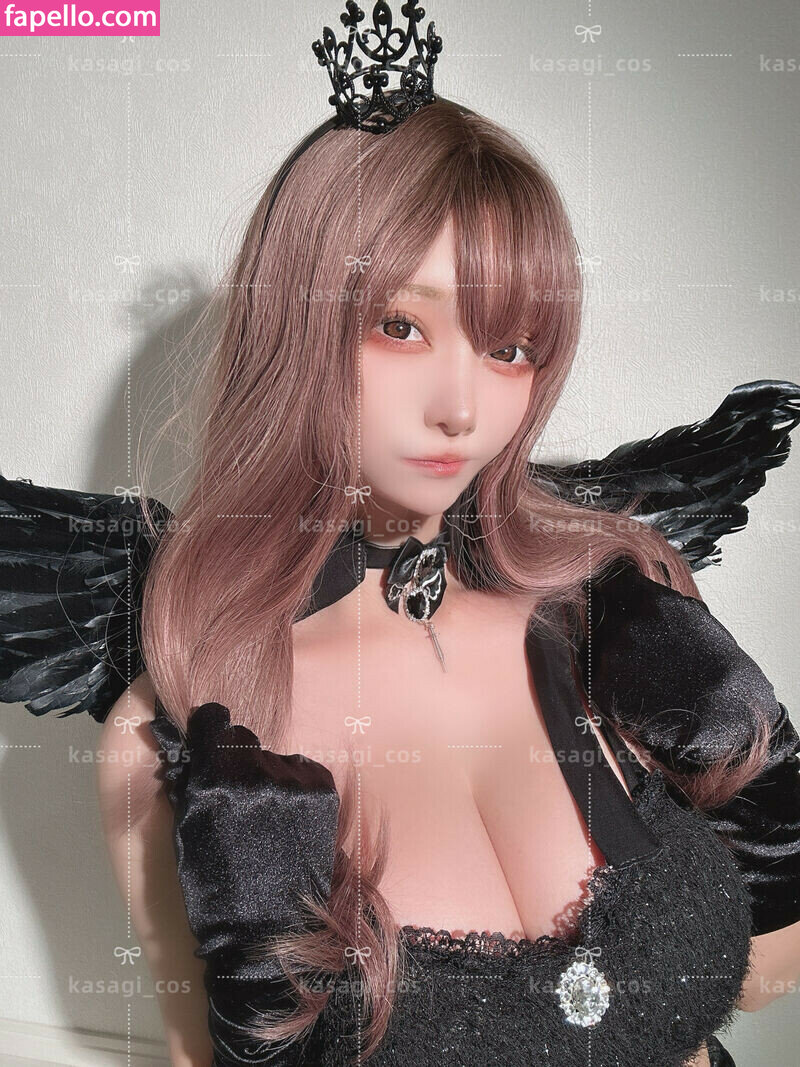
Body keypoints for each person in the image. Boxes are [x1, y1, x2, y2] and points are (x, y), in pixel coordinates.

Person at [2, 2, 800, 1064]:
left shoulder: (615, 613)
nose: (462, 408)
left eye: (510, 346)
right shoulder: (188, 738)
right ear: (299, 328)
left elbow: (763, 971)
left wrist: (764, 794)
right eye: (400, 325)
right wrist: (259, 990)